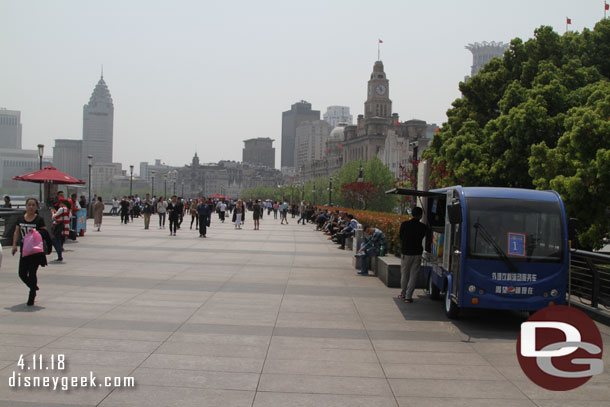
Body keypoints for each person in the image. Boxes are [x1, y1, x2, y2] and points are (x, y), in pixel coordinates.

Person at [11, 198, 50, 306]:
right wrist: (14, 245)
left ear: (36, 207)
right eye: (29, 205)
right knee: (22, 273)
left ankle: (32, 295)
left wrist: (36, 232)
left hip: (35, 252)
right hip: (24, 251)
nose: (31, 207)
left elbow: (44, 232)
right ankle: (33, 286)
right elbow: (16, 232)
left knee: (32, 273)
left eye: (33, 205)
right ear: (26, 206)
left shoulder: (39, 220)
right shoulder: (20, 219)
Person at [398, 207, 428, 303]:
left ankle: (402, 294)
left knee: (404, 274)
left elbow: (400, 237)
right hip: (417, 253)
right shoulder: (423, 227)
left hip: (406, 253)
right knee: (413, 275)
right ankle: (408, 297)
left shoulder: (405, 224)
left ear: (412, 214)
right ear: (420, 216)